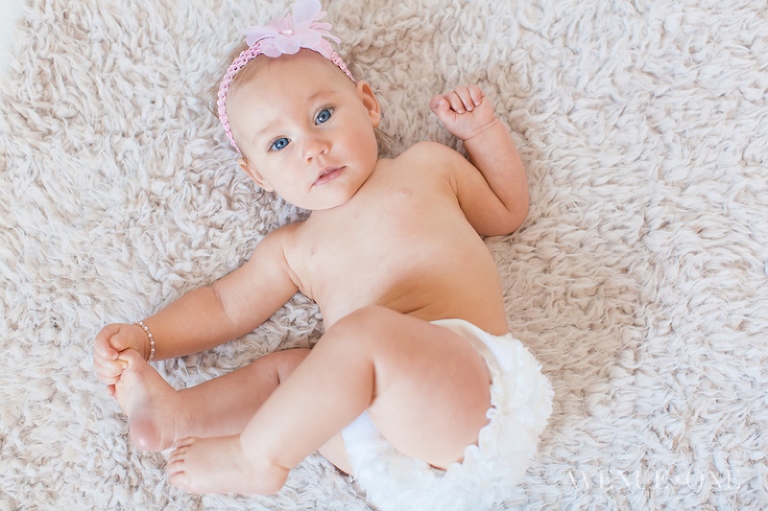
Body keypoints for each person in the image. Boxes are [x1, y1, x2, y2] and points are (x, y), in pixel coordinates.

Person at [93, 1, 553, 509]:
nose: (312, 147)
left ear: (368, 105)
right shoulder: (293, 248)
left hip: (469, 399)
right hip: (372, 448)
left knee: (362, 334)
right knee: (292, 373)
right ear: (258, 177)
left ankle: (258, 457)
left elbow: (507, 212)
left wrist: (483, 134)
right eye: (280, 143)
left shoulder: (427, 168)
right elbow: (224, 307)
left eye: (324, 115)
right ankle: (181, 416)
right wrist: (146, 337)